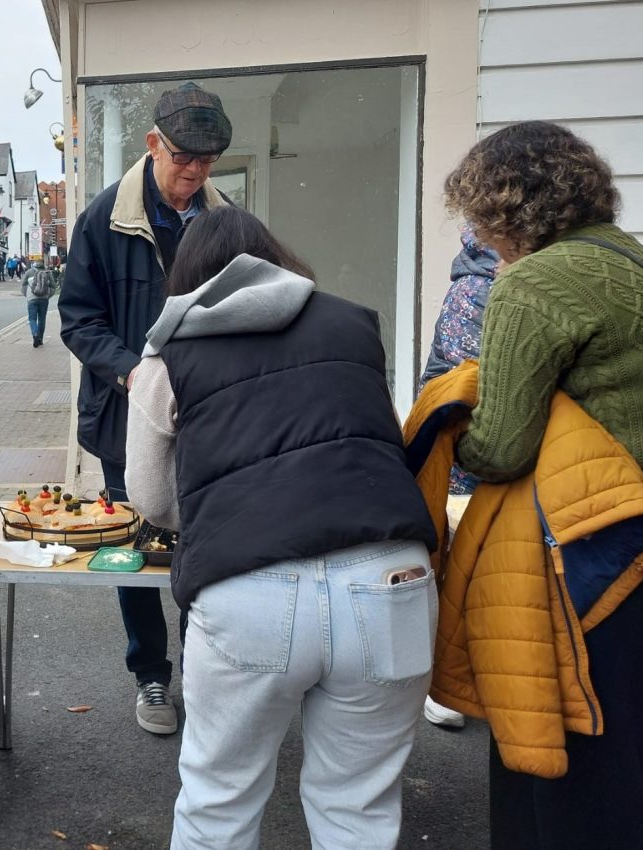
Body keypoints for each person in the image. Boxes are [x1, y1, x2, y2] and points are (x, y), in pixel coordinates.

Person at [125, 205, 437, 848]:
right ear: (274, 257)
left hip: (248, 588)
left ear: (186, 277)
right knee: (359, 808)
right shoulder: (354, 324)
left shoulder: (167, 352)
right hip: (390, 579)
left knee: (219, 802)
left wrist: (219, 502)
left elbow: (152, 498)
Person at [441, 121, 643, 849]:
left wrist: (448, 424)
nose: (476, 233)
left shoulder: (531, 285)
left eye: (477, 215)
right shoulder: (634, 259)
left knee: (566, 740)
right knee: (632, 742)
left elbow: (501, 447)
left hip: (592, 547)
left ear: (505, 207)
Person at [58, 81, 233, 735]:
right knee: (134, 548)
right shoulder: (102, 219)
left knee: (202, 548)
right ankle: (150, 676)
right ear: (153, 143)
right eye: (183, 156)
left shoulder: (224, 220)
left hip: (205, 415)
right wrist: (132, 372)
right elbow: (78, 319)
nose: (195, 172)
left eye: (206, 160)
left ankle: (200, 672)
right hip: (124, 413)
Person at [414, 225, 501, 732]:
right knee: (462, 572)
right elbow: (476, 386)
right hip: (466, 455)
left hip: (488, 453)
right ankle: (448, 683)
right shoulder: (476, 289)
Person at [20, 260, 55, 347]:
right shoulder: (48, 273)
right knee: (42, 319)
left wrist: (27, 295)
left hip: (31, 299)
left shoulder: (29, 272)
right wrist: (47, 296)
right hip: (44, 299)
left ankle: (35, 334)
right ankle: (40, 339)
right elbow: (53, 287)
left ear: (34, 265)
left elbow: (23, 286)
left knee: (32, 318)